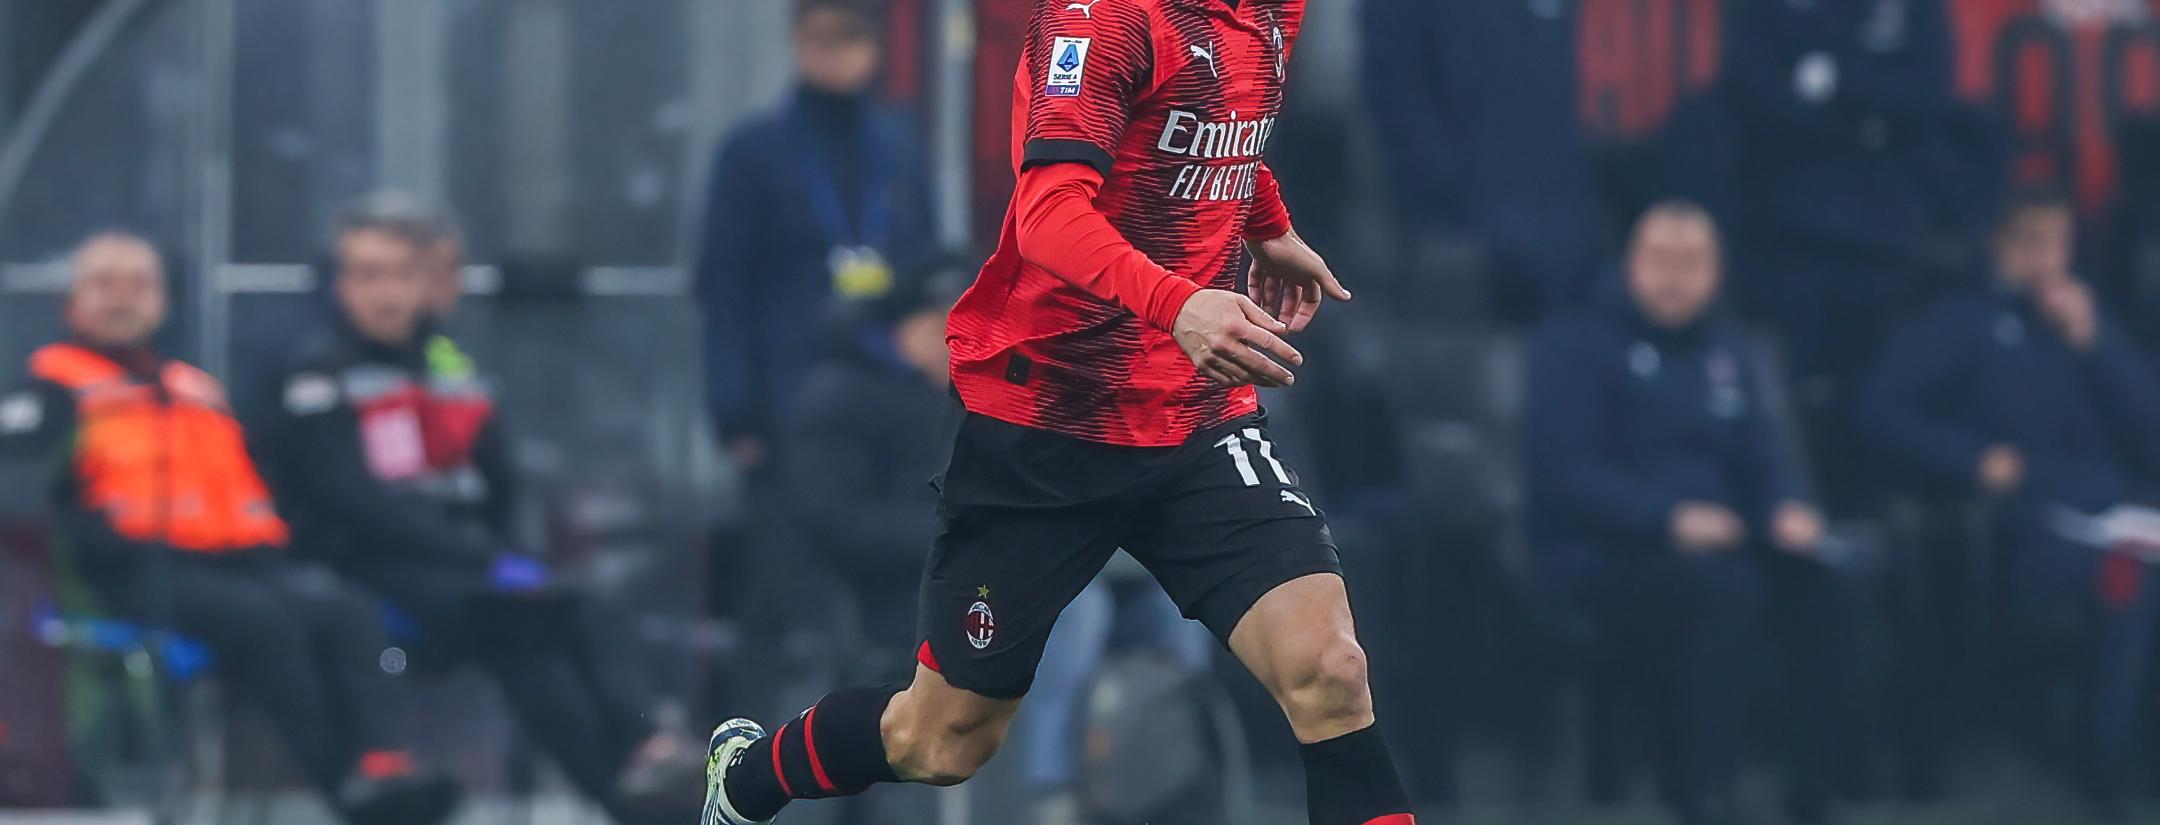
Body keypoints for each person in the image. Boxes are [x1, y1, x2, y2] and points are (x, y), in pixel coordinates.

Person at [703, 2, 1418, 825]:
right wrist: (1180, 304)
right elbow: (1047, 213)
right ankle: (748, 776)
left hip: (1196, 413)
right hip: (1045, 421)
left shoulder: (1273, 9)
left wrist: (1267, 222)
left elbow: (1214, 125)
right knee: (940, 740)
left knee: (1329, 670)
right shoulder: (1101, 18)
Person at [247, 198, 702, 825]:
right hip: (368, 571)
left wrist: (496, 549)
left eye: (401, 275)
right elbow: (352, 500)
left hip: (467, 571)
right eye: (367, 274)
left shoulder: (448, 363)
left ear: (423, 284)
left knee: (547, 638)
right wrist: (483, 555)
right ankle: (641, 778)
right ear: (340, 284)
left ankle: (646, 777)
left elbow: (497, 476)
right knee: (548, 613)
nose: (386, 292)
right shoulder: (313, 370)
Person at [0, 233, 461, 825]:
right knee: (267, 626)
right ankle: (344, 786)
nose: (123, 299)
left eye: (139, 285)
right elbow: (23, 503)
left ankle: (384, 761)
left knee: (347, 612)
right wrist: (96, 546)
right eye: (105, 284)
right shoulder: (48, 390)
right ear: (72, 302)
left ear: (163, 302)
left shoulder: (194, 386)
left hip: (241, 561)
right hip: (127, 574)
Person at [1524, 204, 1853, 825]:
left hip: (1725, 544)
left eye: (1692, 263)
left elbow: (1767, 456)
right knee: (1727, 594)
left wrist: (1788, 506)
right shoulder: (1574, 343)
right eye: (1659, 261)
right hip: (1604, 554)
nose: (1675, 277)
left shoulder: (1733, 349)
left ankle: (1814, 795)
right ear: (1630, 264)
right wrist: (1669, 518)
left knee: (1824, 589)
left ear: (1717, 272)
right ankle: (1704, 793)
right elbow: (1565, 474)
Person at [1858, 188, 2160, 812]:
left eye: (2058, 244)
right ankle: (2105, 765)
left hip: (2117, 505)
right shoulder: (1957, 321)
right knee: (2132, 581)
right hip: (2023, 522)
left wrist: (2096, 343)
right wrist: (1971, 457)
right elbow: (1884, 412)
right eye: (2030, 242)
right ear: (1997, 244)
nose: (2045, 260)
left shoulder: (2088, 323)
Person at [695, 0, 938, 475]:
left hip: (891, 394)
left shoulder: (899, 149)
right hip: (785, 394)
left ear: (874, 46)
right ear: (797, 42)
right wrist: (734, 412)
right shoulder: (753, 152)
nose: (833, 54)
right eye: (819, 38)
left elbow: (926, 267)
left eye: (848, 36)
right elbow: (725, 286)